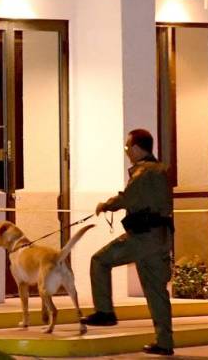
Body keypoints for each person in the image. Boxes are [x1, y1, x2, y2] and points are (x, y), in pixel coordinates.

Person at [82, 128, 175, 356]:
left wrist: (106, 205)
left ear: (135, 147)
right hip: (160, 238)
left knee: (100, 260)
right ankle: (164, 343)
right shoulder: (160, 170)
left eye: (127, 148)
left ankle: (105, 312)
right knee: (156, 292)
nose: (126, 152)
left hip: (143, 237)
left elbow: (127, 198)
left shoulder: (143, 173)